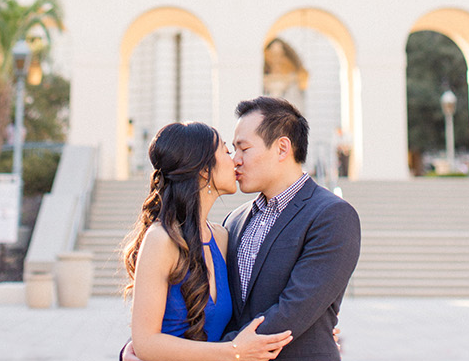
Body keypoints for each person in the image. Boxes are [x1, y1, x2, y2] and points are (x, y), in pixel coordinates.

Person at [122, 97, 362, 361]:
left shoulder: (332, 215)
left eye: (242, 149)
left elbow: (294, 311)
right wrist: (144, 349)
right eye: (229, 150)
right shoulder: (233, 224)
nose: (235, 160)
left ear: (282, 148)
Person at [122, 121, 290, 360]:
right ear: (203, 170)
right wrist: (234, 352)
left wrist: (313, 333)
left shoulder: (221, 237)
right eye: (226, 151)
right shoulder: (162, 240)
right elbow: (146, 342)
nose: (235, 160)